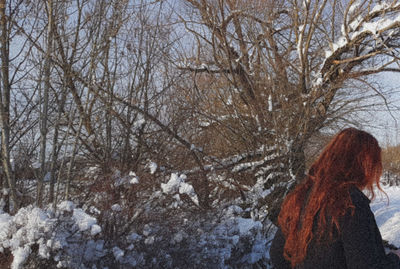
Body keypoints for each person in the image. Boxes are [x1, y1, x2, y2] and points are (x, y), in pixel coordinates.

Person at [270, 128, 400, 269]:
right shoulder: (350, 202)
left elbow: (277, 255)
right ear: (362, 165)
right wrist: (395, 258)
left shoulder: (302, 194)